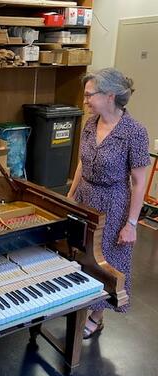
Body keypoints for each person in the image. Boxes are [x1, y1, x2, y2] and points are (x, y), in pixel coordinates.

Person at [67, 68, 150, 339]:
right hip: (85, 197)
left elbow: (139, 182)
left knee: (107, 260)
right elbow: (82, 161)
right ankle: (82, 301)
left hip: (113, 203)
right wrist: (70, 196)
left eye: (90, 95)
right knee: (82, 253)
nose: (86, 100)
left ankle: (96, 315)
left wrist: (132, 224)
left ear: (110, 96)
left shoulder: (135, 132)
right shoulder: (90, 123)